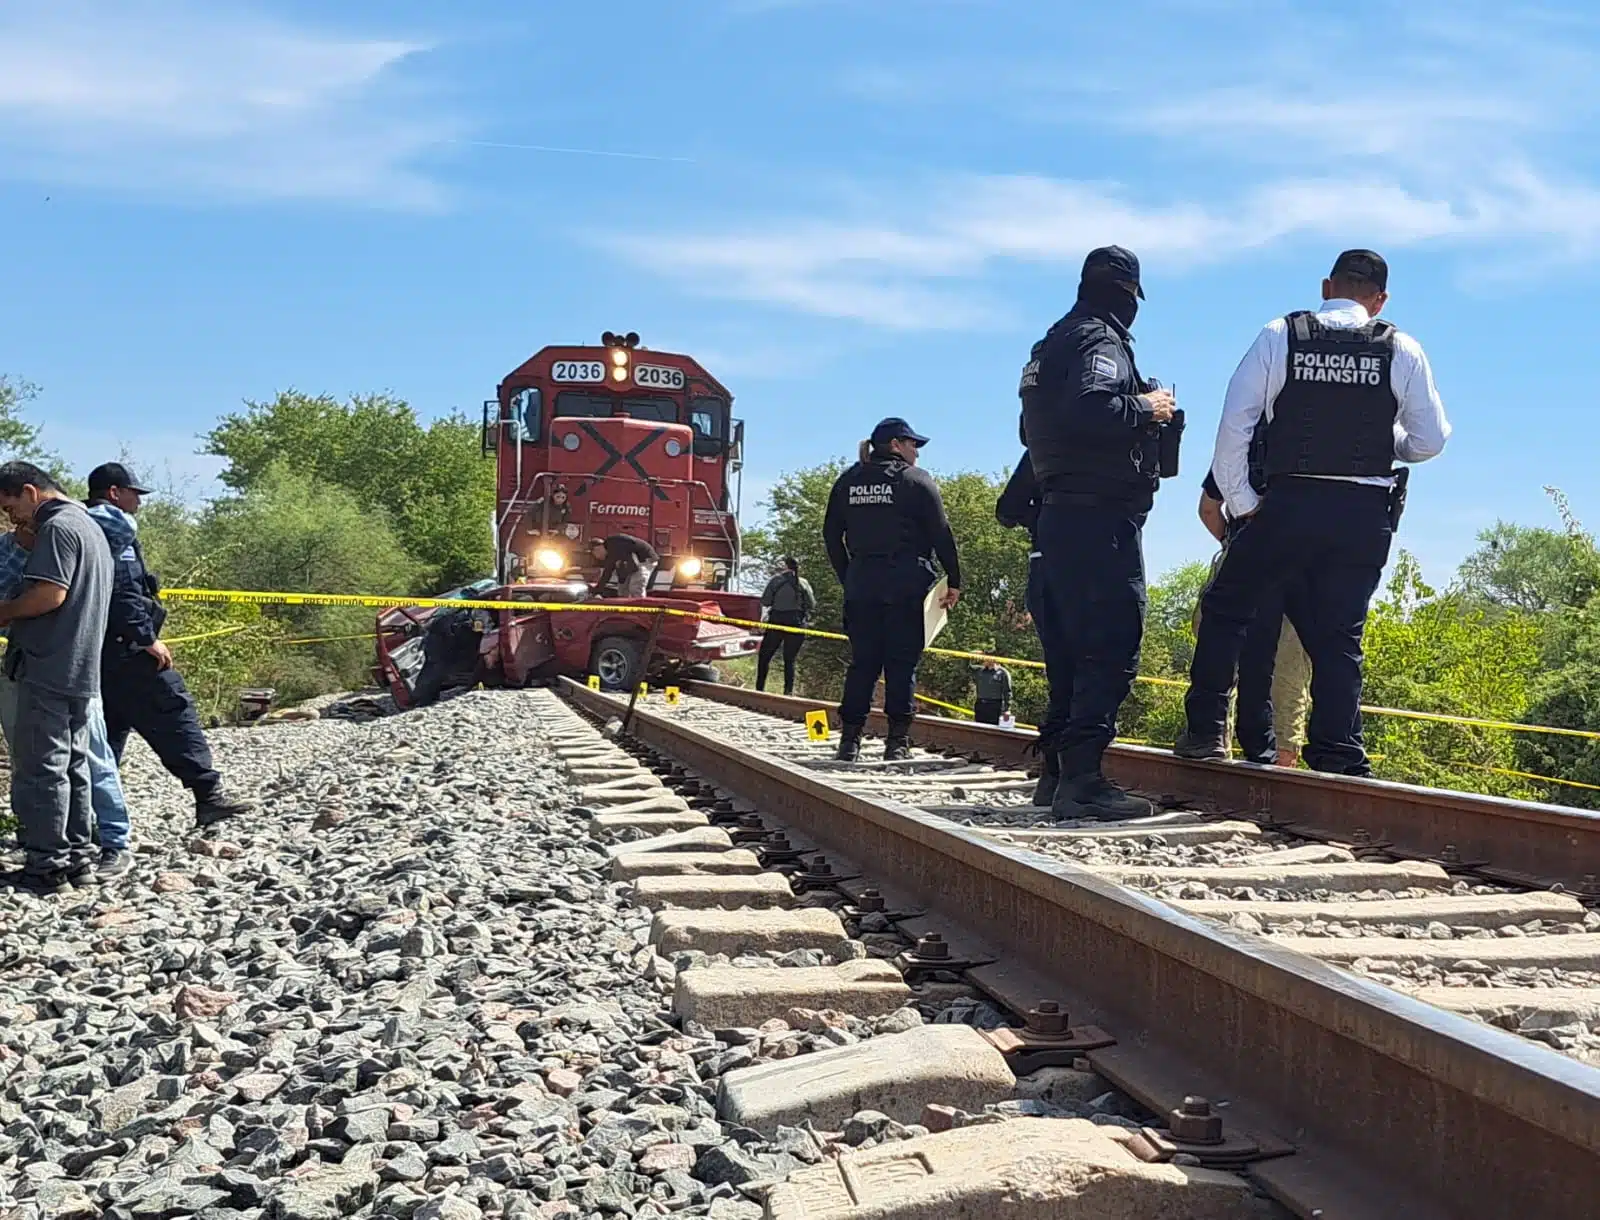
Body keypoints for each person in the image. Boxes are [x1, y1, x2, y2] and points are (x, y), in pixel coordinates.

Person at [1177, 250, 1450, 775]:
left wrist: (1244, 505)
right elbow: (1430, 440)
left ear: (1328, 287)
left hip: (1288, 502)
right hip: (1364, 512)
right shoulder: (1402, 348)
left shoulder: (1280, 334)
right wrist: (1381, 438)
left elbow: (1235, 426)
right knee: (1339, 633)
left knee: (1227, 609)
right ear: (1380, 299)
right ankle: (1337, 754)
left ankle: (1206, 730)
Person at [1019, 246, 1180, 819]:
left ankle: (1056, 772)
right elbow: (1093, 408)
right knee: (1111, 643)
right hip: (1100, 520)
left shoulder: (1049, 343)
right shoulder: (1098, 341)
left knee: (1067, 649)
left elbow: (1032, 429)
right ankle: (1083, 780)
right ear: (1126, 293)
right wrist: (1150, 407)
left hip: (1058, 515)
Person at [86, 463, 253, 828]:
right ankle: (208, 796)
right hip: (126, 650)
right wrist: (146, 639)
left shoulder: (80, 525)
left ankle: (90, 820)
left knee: (106, 732)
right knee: (173, 711)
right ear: (115, 492)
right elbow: (124, 592)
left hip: (94, 653)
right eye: (135, 493)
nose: (139, 502)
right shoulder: (114, 528)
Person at [0, 462, 114, 895]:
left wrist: (4, 611)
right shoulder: (90, 527)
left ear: (30, 491)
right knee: (74, 764)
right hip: (80, 665)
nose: (13, 520)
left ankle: (46, 867)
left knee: (40, 768)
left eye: (11, 507)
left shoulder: (58, 528)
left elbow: (49, 594)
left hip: (47, 665)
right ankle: (78, 860)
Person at [823, 418, 962, 762]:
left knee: (863, 664)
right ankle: (897, 743)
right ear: (897, 445)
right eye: (914, 444)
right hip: (905, 583)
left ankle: (849, 742)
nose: (917, 451)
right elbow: (941, 533)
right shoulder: (915, 481)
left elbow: (830, 535)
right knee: (901, 665)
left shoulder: (848, 481)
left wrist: (849, 575)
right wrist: (954, 579)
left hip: (862, 583)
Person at [1196, 469, 1312, 766]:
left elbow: (1208, 510)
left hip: (1236, 567)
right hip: (1294, 574)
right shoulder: (1315, 450)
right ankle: (1280, 770)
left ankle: (1213, 749)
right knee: (1286, 674)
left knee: (1222, 665)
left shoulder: (1241, 446)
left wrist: (1234, 549)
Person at [995, 449, 1067, 805]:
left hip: (1046, 566)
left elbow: (1008, 509)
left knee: (1062, 673)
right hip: (1099, 563)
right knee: (1094, 672)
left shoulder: (1043, 444)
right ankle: (1070, 773)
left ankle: (1055, 775)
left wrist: (1040, 518)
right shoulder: (1115, 433)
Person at [756, 556, 816, 696]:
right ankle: (788, 692)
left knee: (765, 656)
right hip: (797, 624)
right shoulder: (803, 583)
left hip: (776, 622)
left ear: (785, 566)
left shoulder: (776, 581)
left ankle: (759, 689)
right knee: (790, 660)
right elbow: (812, 604)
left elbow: (765, 602)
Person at [590, 534, 658, 598]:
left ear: (597, 549)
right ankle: (624, 607)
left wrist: (597, 590)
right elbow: (608, 573)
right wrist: (597, 591)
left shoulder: (613, 545)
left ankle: (640, 607)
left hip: (645, 559)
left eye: (595, 555)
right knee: (622, 590)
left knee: (635, 587)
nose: (597, 558)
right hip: (632, 562)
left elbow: (632, 565)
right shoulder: (611, 551)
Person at [969, 655, 1013, 725]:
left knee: (993, 730)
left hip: (994, 705)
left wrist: (1007, 709)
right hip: (980, 704)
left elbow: (1007, 692)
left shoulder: (1003, 673)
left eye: (986, 657)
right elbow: (966, 667)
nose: (984, 659)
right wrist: (970, 655)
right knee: (979, 728)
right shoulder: (979, 670)